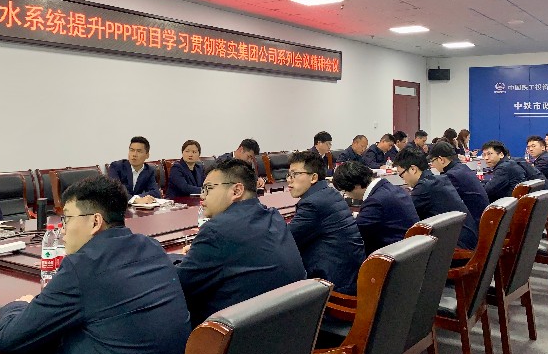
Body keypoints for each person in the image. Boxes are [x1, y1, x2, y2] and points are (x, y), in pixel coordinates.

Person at [0, 175, 190, 354]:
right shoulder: (151, 247)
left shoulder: (82, 267)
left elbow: (9, 339)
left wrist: (19, 304)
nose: (62, 229)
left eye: (67, 219)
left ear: (95, 221)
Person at [175, 158, 305, 327]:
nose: (202, 196)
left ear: (236, 190)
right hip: (289, 329)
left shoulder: (216, 231)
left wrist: (177, 261)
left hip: (232, 335)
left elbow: (179, 285)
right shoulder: (274, 216)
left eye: (208, 189)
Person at [286, 151, 364, 295]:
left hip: (336, 287)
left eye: (295, 174)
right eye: (288, 175)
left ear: (313, 177)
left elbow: (286, 241)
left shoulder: (313, 204)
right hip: (351, 276)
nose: (289, 180)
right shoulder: (330, 193)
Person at [395, 148, 478, 250]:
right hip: (468, 240)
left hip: (458, 248)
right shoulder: (439, 179)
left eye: (401, 175)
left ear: (413, 169)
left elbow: (407, 216)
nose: (403, 180)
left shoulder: (424, 187)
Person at [332, 161, 419, 255]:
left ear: (356, 186)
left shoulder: (375, 201)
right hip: (410, 250)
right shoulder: (392, 188)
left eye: (345, 191)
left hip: (393, 255)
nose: (347, 195)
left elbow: (354, 233)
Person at [428, 141, 490, 225]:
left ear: (441, 159)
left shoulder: (451, 176)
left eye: (432, 161)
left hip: (475, 224)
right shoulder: (462, 168)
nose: (433, 165)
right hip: (482, 219)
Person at [107, 136, 161, 204]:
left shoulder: (149, 170)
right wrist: (135, 200)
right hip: (117, 206)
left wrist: (138, 198)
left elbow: (156, 192)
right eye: (132, 150)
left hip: (136, 208)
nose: (134, 154)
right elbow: (115, 191)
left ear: (147, 155)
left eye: (139, 151)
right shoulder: (116, 167)